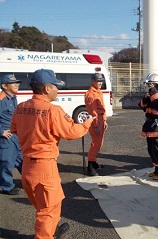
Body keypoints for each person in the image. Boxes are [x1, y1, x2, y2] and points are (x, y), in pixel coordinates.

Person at [10, 69, 95, 239]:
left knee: (42, 206)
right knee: (48, 209)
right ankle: (45, 235)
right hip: (44, 166)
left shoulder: (21, 107)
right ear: (47, 88)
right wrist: (86, 124)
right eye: (56, 86)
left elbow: (14, 129)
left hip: (27, 164)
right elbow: (71, 132)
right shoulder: (52, 110)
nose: (58, 90)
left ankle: (51, 230)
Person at [0, 74, 23, 195]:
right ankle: (7, 186)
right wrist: (1, 132)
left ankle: (28, 180)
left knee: (21, 159)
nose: (17, 84)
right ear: (4, 86)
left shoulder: (13, 97)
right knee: (7, 162)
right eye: (13, 83)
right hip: (6, 137)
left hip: (15, 135)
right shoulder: (1, 99)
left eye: (17, 82)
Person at [85, 73, 108, 176]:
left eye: (101, 81)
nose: (100, 83)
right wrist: (96, 125)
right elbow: (92, 112)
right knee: (95, 144)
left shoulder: (98, 92)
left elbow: (102, 108)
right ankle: (90, 166)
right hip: (96, 121)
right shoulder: (91, 94)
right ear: (92, 81)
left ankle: (93, 162)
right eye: (98, 81)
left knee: (99, 143)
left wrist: (104, 120)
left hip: (100, 120)